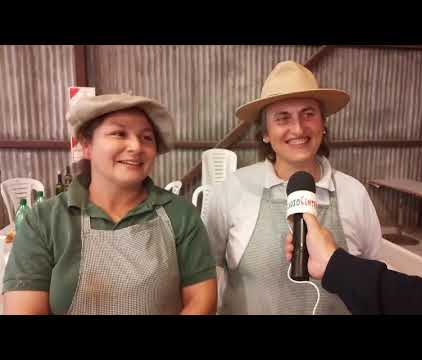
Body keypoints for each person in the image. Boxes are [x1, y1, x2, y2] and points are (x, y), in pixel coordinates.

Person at [2, 94, 217, 315]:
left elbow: (202, 301)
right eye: (119, 133)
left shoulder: (181, 216)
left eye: (147, 138)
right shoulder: (42, 222)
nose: (135, 146)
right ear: (86, 146)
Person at [205, 61, 383, 315]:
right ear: (265, 132)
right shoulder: (233, 190)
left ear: (323, 124)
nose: (298, 129)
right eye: (283, 118)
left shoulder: (354, 194)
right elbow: (205, 273)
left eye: (308, 114)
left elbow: (372, 281)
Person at [285, 213, 422, 314]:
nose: (299, 132)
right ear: (265, 136)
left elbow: (374, 256)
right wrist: (334, 264)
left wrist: (335, 265)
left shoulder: (353, 191)